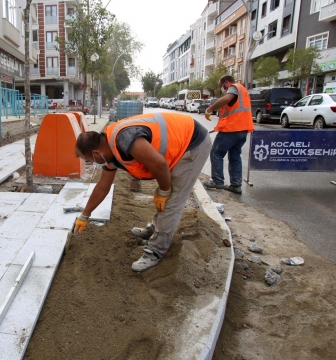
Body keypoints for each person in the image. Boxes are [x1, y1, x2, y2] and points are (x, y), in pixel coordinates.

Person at [72, 112, 211, 272]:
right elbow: (103, 186)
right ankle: (157, 229)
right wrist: (85, 215)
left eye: (89, 161)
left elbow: (159, 165)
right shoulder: (108, 150)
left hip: (192, 143)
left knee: (172, 199)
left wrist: (164, 190)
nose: (92, 164)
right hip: (180, 143)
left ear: (96, 153)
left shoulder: (125, 139)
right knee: (165, 196)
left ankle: (156, 250)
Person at [202, 75, 254, 194]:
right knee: (235, 156)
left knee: (216, 152)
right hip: (243, 129)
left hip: (232, 129)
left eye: (222, 87)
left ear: (226, 82)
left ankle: (217, 181)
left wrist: (209, 110)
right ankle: (236, 185)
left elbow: (226, 99)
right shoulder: (243, 90)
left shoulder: (234, 87)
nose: (223, 90)